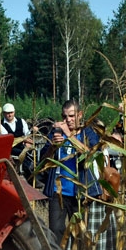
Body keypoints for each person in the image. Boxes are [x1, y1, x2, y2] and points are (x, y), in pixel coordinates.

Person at [39, 99, 102, 242]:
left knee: (80, 234)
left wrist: (69, 135)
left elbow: (90, 154)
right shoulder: (56, 133)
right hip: (58, 192)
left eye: (72, 116)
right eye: (64, 116)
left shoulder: (88, 133)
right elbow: (43, 160)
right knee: (56, 231)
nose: (68, 120)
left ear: (80, 115)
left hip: (80, 192)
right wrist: (52, 147)